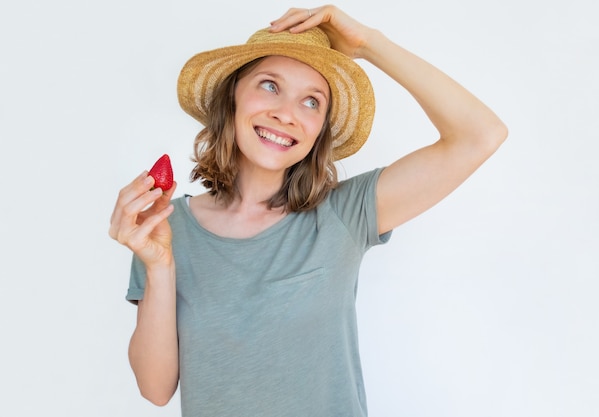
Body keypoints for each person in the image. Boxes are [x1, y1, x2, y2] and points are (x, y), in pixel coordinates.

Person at [109, 5, 507, 416]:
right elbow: (155, 389)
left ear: (319, 131)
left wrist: (370, 43)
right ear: (231, 97)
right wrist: (158, 266)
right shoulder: (166, 228)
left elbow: (481, 135)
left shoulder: (345, 213)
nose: (287, 114)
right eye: (269, 86)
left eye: (311, 102)